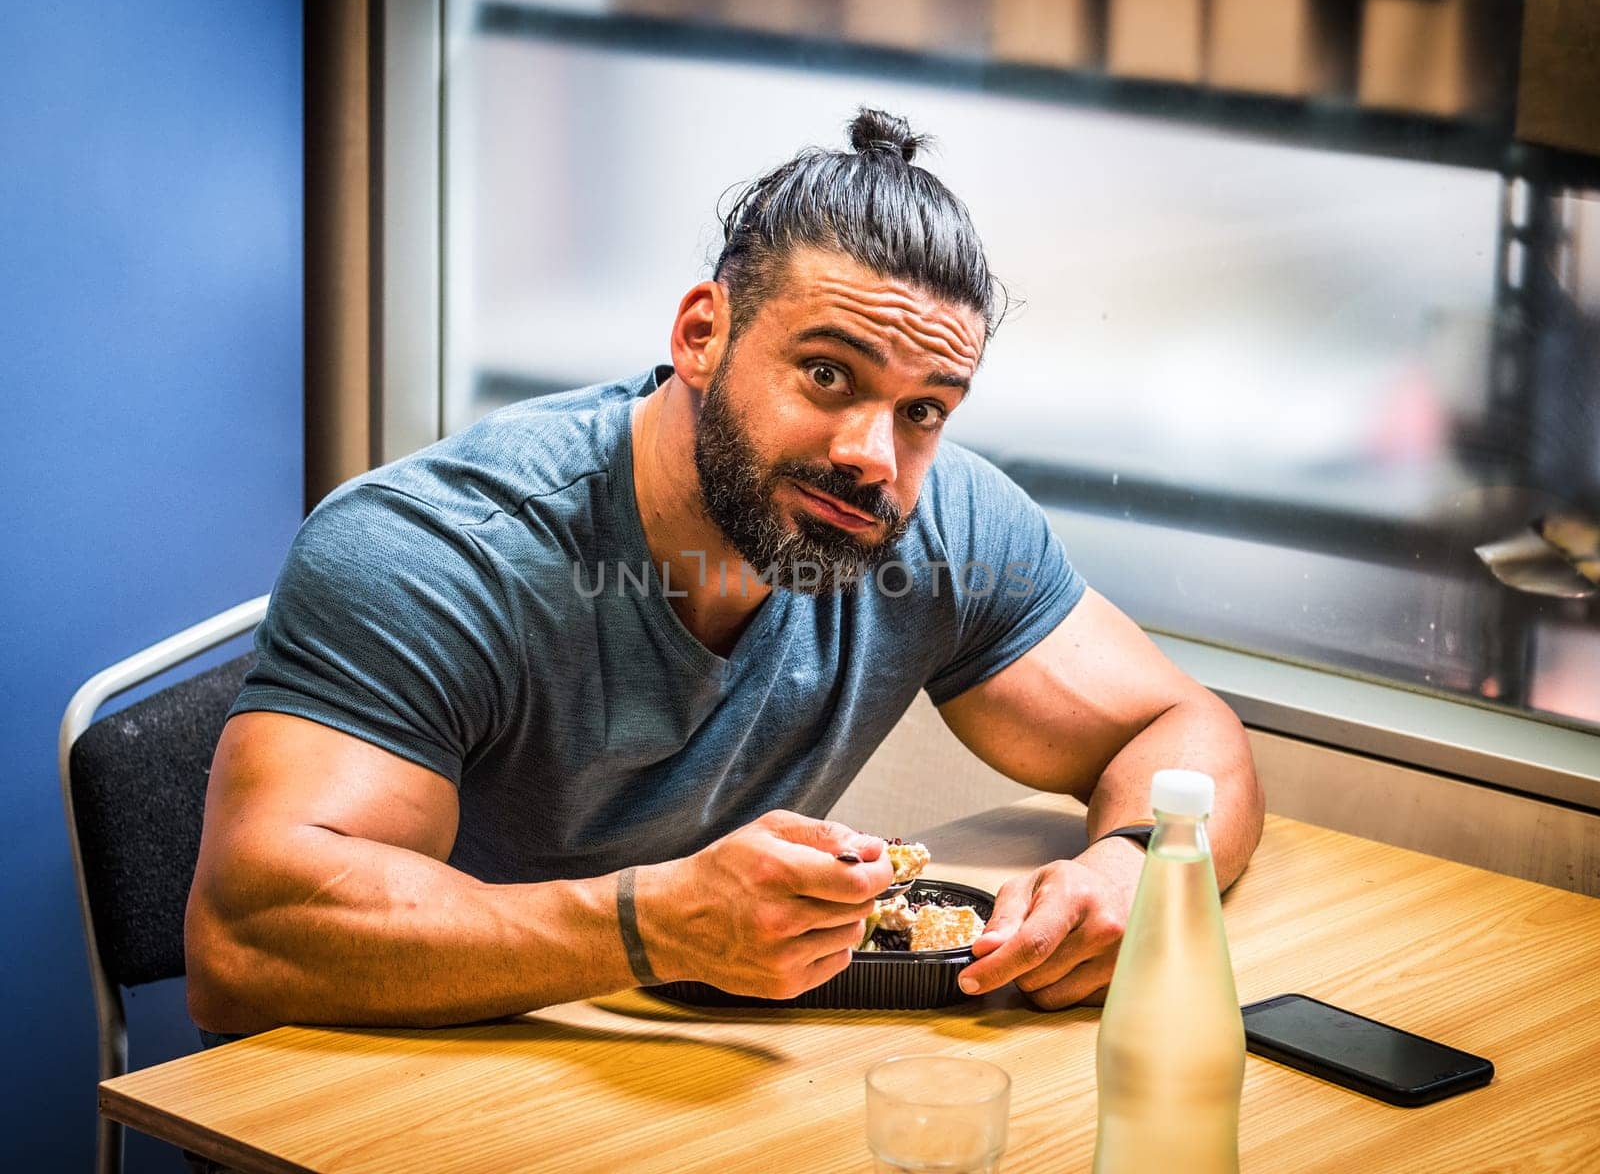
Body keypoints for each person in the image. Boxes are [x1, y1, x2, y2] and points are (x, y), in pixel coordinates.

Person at [185, 107, 1263, 1036]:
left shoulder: (940, 524)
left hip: (685, 1079)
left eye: (923, 410)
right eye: (828, 373)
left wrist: (1135, 869)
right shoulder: (436, 552)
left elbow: (1179, 732)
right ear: (703, 332)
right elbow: (247, 941)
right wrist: (649, 928)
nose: (872, 456)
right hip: (404, 1094)